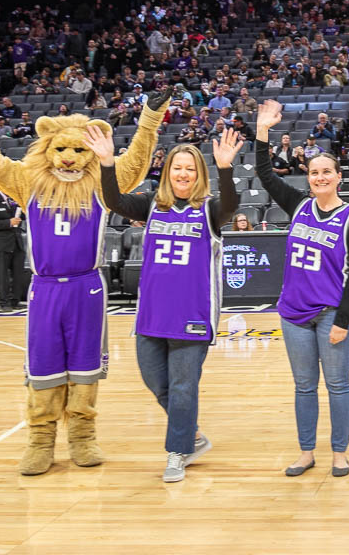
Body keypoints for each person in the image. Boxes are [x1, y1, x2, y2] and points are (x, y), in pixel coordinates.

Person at [87, 126, 241, 483]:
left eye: (190, 168)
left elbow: (231, 205)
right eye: (177, 167)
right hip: (151, 315)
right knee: (157, 382)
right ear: (168, 172)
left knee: (184, 387)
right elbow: (114, 202)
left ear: (198, 174)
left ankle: (177, 452)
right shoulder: (152, 205)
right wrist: (107, 163)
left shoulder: (209, 211)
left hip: (193, 316)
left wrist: (225, 168)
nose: (183, 173)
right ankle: (193, 437)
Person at [254, 100, 349, 477]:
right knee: (304, 387)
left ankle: (339, 452)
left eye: (326, 172)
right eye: (314, 172)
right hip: (293, 314)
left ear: (338, 177)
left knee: (337, 384)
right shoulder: (298, 204)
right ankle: (306, 452)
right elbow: (266, 176)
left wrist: (343, 319)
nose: (319, 177)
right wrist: (263, 132)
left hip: (333, 313)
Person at [0, 192, 27, 311]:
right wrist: (9, 222)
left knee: (18, 274)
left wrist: (23, 207)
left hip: (17, 243)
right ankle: (4, 302)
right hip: (1, 244)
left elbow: (23, 217)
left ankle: (15, 300)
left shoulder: (15, 199)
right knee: (2, 275)